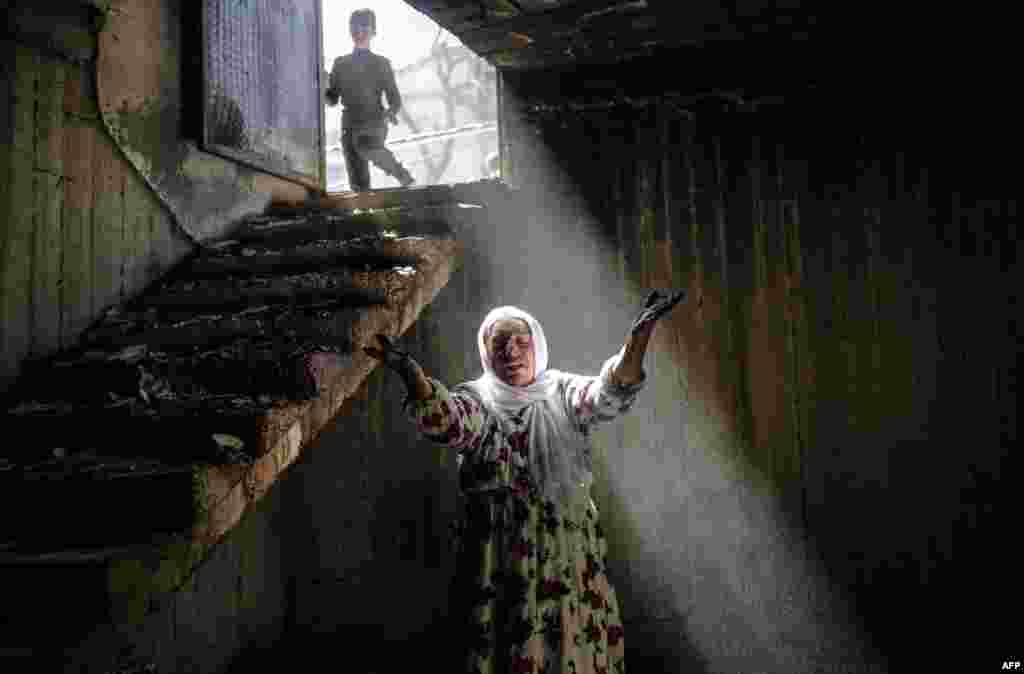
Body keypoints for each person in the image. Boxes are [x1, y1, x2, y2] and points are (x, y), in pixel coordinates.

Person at [365, 290, 686, 674]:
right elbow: (448, 422)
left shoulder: (564, 393)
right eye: (500, 343)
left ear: (537, 344)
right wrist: (411, 374)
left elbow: (610, 393)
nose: (511, 351)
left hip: (565, 549)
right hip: (500, 551)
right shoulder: (477, 400)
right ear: (486, 352)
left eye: (521, 341)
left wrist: (639, 338)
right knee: (507, 645)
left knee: (570, 642)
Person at [325, 9, 415, 191]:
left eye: (364, 29)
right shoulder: (341, 64)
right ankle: (366, 212)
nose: (359, 33)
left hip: (373, 122)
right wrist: (321, 84)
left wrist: (391, 112)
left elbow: (394, 99)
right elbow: (332, 99)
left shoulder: (381, 64)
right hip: (349, 125)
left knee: (365, 145)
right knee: (359, 185)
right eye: (354, 29)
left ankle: (402, 175)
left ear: (373, 32)